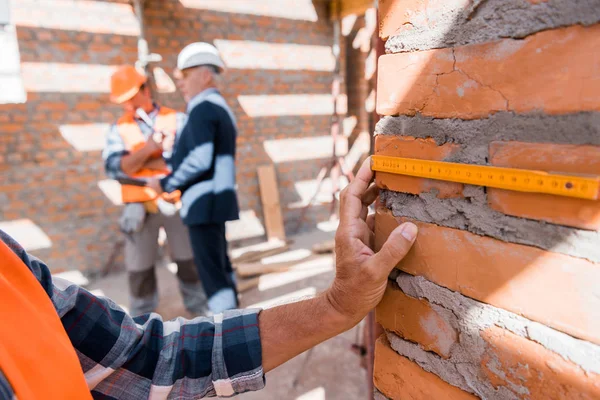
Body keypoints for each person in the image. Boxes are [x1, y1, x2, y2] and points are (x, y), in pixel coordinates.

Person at [0, 158, 418, 399]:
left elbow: (149, 356)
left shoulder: (7, 264)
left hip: (182, 208)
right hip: (160, 206)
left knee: (199, 272)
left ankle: (206, 304)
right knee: (151, 273)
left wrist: (335, 308)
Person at [103, 65, 207, 316]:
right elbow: (115, 168)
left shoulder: (177, 119)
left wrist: (138, 162)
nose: (128, 106)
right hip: (138, 208)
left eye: (131, 98)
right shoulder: (119, 128)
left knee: (188, 261)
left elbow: (189, 162)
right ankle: (141, 320)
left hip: (175, 203)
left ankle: (200, 311)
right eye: (123, 101)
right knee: (139, 269)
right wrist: (149, 149)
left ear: (145, 89)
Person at [147, 43, 240, 314]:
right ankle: (234, 318)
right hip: (213, 202)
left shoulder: (203, 109)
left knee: (212, 274)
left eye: (185, 76)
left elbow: (200, 159)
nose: (181, 84)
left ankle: (225, 329)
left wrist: (164, 184)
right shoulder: (216, 108)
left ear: (206, 75)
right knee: (220, 266)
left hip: (204, 203)